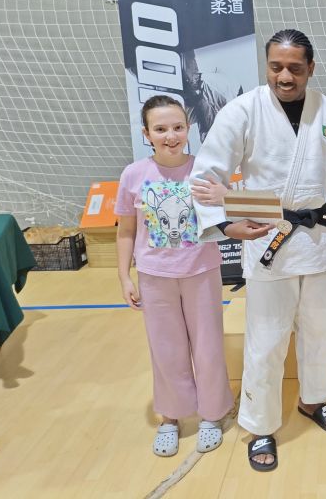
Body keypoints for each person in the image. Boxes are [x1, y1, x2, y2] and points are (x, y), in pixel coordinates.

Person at [190, 29, 326, 472]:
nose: (284, 76)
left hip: (321, 238)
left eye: (294, 67)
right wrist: (227, 224)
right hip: (269, 237)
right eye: (276, 66)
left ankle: (314, 400)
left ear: (311, 67)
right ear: (266, 65)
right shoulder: (242, 111)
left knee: (323, 332)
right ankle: (261, 423)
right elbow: (206, 174)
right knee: (267, 341)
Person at [115, 95, 234, 458]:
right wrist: (124, 276)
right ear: (146, 133)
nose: (171, 135)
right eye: (161, 129)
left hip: (201, 272)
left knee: (209, 345)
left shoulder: (204, 171)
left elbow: (230, 213)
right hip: (155, 276)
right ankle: (171, 416)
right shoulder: (133, 175)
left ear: (188, 129)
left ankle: (212, 414)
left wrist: (226, 195)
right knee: (166, 350)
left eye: (178, 127)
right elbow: (125, 231)